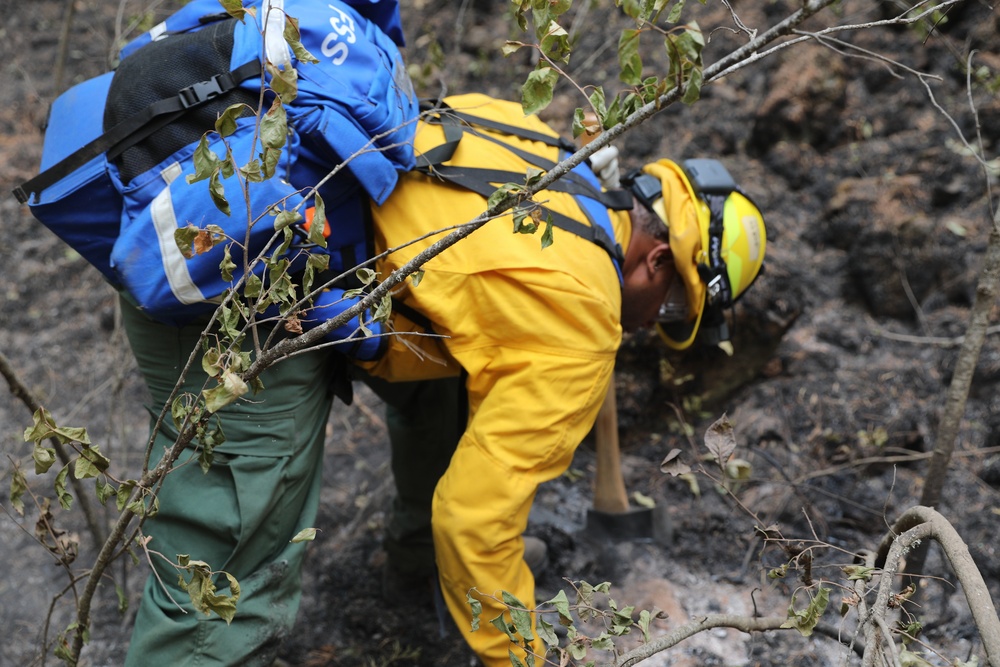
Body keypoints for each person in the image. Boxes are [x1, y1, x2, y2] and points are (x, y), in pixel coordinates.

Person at [118, 85, 766, 665]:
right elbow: (475, 524)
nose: (657, 323)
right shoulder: (585, 321)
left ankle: (421, 565)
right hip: (223, 280)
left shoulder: (527, 136)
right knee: (237, 545)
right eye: (675, 306)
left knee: (460, 380)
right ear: (655, 260)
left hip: (224, 195)